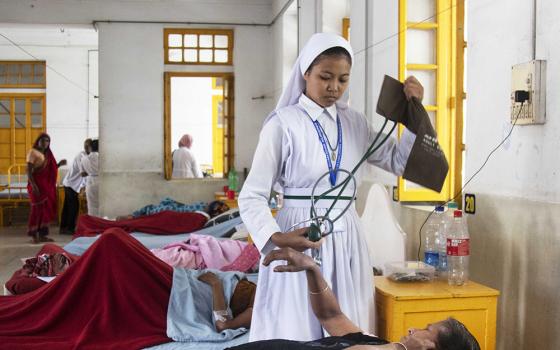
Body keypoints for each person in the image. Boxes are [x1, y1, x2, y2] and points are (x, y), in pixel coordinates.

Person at [238, 32, 423, 341]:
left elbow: (400, 162)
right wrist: (276, 235)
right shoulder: (283, 124)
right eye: (325, 77)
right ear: (306, 72)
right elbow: (252, 195)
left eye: (343, 79)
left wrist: (415, 116)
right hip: (299, 234)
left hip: (348, 236)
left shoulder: (356, 123)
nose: (334, 87)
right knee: (295, 323)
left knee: (349, 320)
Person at [0, 229, 256, 349]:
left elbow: (224, 326)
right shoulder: (268, 285)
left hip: (180, 298)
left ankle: (59, 287)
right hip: (182, 279)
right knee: (113, 243)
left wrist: (215, 285)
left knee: (112, 246)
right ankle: (61, 282)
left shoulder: (263, 306)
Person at [228, 247, 481, 350]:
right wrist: (312, 270)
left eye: (427, 330)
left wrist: (402, 348)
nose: (414, 328)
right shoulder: (379, 344)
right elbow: (331, 316)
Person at [26, 133, 66, 243]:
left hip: (46, 186)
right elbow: (28, 171)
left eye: (47, 141)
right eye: (43, 140)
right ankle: (34, 236)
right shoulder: (32, 152)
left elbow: (49, 170)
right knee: (37, 210)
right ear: (38, 141)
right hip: (36, 185)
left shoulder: (48, 154)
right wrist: (34, 186)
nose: (45, 143)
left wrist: (58, 165)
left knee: (45, 211)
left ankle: (43, 235)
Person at [59, 138, 92, 235]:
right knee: (74, 207)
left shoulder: (87, 156)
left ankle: (63, 228)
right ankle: (70, 228)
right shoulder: (81, 156)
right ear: (87, 147)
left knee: (67, 207)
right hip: (70, 184)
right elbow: (83, 173)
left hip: (72, 184)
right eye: (91, 147)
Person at [81, 139, 99, 216]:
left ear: (90, 148)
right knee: (101, 205)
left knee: (91, 206)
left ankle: (93, 225)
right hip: (101, 181)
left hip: (90, 182)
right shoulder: (103, 157)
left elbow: (83, 173)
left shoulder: (83, 158)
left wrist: (90, 170)